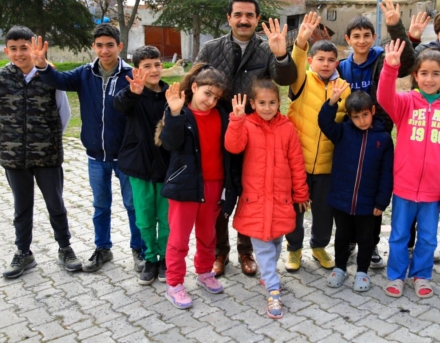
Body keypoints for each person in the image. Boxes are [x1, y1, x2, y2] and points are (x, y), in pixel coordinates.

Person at [0, 29, 81, 278]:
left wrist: (51, 141)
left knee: (55, 204)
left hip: (47, 156)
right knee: (21, 207)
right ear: (6, 51)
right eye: (13, 49)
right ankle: (23, 253)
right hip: (14, 157)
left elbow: (63, 114)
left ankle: (65, 248)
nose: (19, 53)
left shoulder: (50, 76)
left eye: (24, 48)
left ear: (34, 47)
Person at [197, 0, 297, 278]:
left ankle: (246, 250)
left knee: (250, 193)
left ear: (257, 19)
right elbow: (195, 83)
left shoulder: (265, 51)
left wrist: (280, 53)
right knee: (218, 195)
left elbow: (285, 79)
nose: (243, 20)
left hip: (255, 136)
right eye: (238, 14)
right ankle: (219, 252)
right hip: (218, 132)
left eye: (249, 15)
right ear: (228, 17)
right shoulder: (210, 48)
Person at [31, 26, 145, 273]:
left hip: (126, 156)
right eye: (100, 45)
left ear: (120, 46)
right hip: (96, 156)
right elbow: (58, 80)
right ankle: (103, 248)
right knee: (100, 206)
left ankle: (139, 249)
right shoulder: (84, 73)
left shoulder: (130, 75)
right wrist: (41, 66)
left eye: (110, 45)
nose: (105, 50)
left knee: (133, 205)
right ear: (94, 47)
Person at [336, 0, 420, 269]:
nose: (362, 40)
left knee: (372, 193)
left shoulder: (382, 59)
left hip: (378, 134)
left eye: (367, 35)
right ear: (348, 39)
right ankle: (348, 242)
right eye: (356, 36)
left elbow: (407, 63)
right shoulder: (341, 67)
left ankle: (369, 246)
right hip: (350, 136)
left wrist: (396, 27)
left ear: (374, 37)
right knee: (352, 191)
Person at [377, 46, 440, 299]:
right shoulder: (405, 102)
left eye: (435, 74)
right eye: (423, 73)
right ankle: (396, 276)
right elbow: (383, 97)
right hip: (404, 187)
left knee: (427, 238)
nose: (429, 79)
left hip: (433, 192)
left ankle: (421, 275)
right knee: (399, 236)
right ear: (415, 75)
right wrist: (390, 68)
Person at [225, 80, 310, 319]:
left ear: (279, 102)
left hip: (281, 200)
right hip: (255, 200)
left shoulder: (287, 127)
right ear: (252, 103)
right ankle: (273, 289)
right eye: (261, 103)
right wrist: (237, 119)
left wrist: (301, 193)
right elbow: (233, 146)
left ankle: (267, 275)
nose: (267, 107)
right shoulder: (247, 125)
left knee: (274, 242)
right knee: (262, 246)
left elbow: (296, 162)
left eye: (272, 102)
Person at [158, 65, 241, 309]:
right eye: (207, 94)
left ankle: (204, 272)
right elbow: (170, 144)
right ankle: (174, 284)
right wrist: (173, 114)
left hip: (214, 185)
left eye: (216, 97)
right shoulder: (179, 111)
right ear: (194, 87)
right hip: (185, 185)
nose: (211, 101)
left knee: (208, 235)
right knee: (179, 238)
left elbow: (231, 148)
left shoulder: (222, 113)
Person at [284, 12, 351, 272]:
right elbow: (296, 62)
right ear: (311, 61)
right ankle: (294, 250)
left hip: (327, 166)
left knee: (324, 212)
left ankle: (319, 246)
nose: (325, 64)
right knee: (295, 211)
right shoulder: (301, 81)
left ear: (337, 63)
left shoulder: (344, 88)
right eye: (320, 59)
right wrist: (300, 40)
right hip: (298, 162)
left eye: (331, 60)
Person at [318, 88, 393, 292]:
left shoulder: (384, 139)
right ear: (350, 117)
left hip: (368, 203)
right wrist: (331, 103)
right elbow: (324, 123)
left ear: (373, 111)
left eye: (365, 115)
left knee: (365, 238)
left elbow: (387, 173)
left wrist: (381, 202)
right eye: (356, 117)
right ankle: (340, 268)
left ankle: (362, 271)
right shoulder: (342, 132)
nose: (362, 120)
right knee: (342, 235)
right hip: (341, 199)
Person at [114, 46, 171, 285]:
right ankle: (150, 258)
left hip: (168, 168)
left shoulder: (171, 93)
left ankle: (166, 258)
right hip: (139, 167)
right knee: (145, 217)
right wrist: (133, 92)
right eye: (147, 66)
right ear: (137, 70)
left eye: (157, 64)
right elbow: (120, 106)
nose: (154, 70)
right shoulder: (132, 93)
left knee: (167, 219)